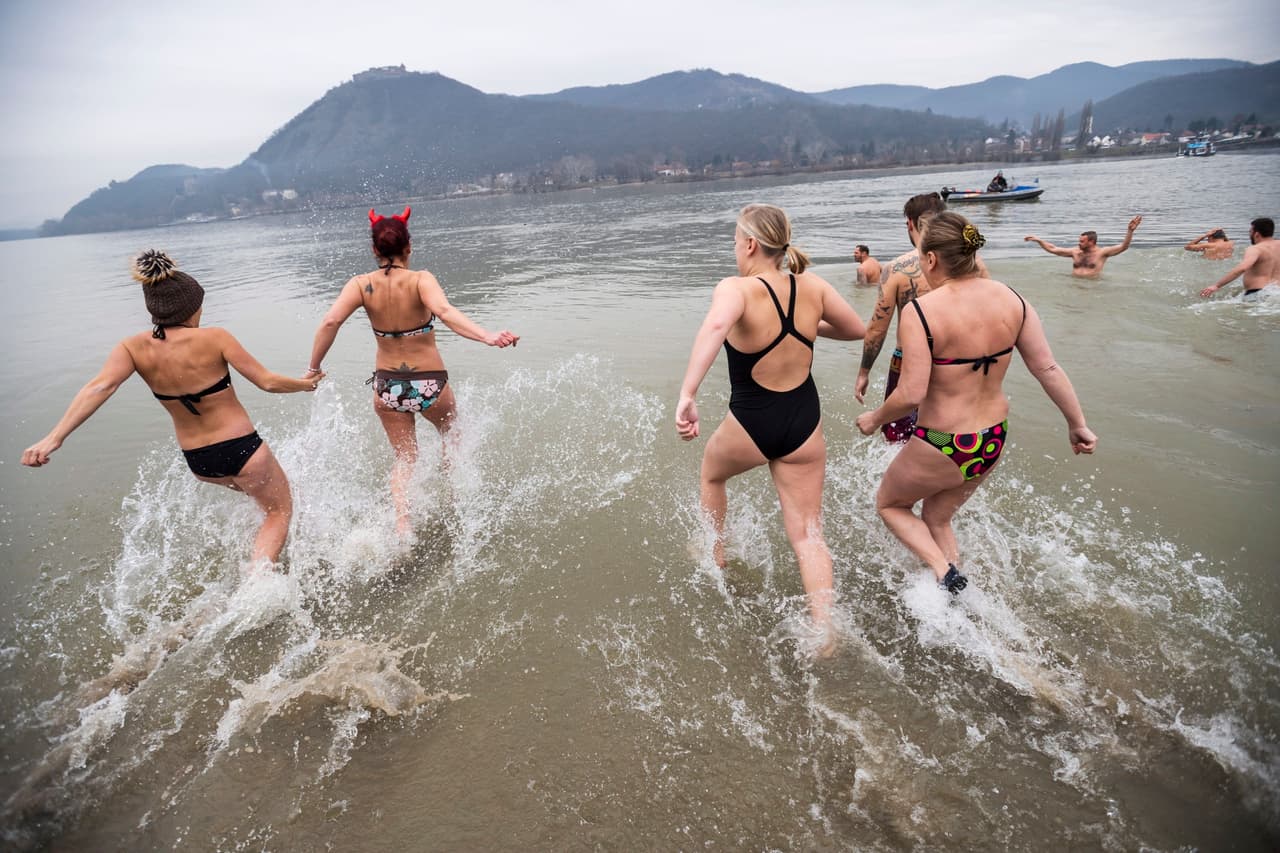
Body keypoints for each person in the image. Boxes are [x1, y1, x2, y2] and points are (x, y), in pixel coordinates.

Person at [21, 250, 321, 566]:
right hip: (242, 449)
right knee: (279, 510)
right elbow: (268, 382)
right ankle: (256, 589)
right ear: (192, 307)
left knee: (275, 495)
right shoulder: (215, 337)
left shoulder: (132, 347)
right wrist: (307, 384)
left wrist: (54, 438)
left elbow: (99, 387)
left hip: (200, 462)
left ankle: (270, 559)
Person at [855, 213, 1097, 594]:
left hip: (943, 440)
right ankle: (957, 591)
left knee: (890, 505)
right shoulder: (1012, 298)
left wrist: (874, 418)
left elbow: (911, 393)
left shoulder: (922, 312)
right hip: (991, 439)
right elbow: (1047, 367)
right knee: (937, 516)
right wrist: (1077, 423)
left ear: (931, 259)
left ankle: (942, 571)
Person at [676, 203, 866, 650]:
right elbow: (857, 328)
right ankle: (824, 629)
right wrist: (809, 329)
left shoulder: (736, 288)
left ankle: (716, 555)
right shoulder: (812, 285)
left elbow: (716, 326)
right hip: (804, 422)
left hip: (752, 422)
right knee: (807, 534)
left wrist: (688, 394)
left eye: (734, 242)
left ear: (749, 244)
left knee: (712, 473)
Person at [307, 206, 519, 536]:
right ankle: (455, 503)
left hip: (388, 387)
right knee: (453, 436)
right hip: (430, 383)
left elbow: (331, 321)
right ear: (409, 246)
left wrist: (313, 368)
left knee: (406, 458)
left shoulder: (360, 285)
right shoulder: (421, 280)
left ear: (374, 250)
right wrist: (489, 337)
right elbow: (446, 313)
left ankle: (402, 525)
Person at [856, 192, 987, 443]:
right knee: (953, 432)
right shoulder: (973, 262)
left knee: (900, 439)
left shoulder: (895, 269)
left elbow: (876, 329)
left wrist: (864, 372)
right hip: (959, 358)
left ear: (910, 223)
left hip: (908, 361)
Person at [1024, 215, 1142, 278]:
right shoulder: (1075, 252)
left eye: (1082, 241)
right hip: (1075, 284)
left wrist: (1130, 231)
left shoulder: (1102, 253)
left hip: (1093, 287)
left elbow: (1123, 246)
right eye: (1079, 241)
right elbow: (1053, 249)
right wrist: (1039, 240)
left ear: (1091, 242)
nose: (1079, 243)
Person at [1200, 217, 1279, 300]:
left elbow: (1242, 268)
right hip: (1276, 292)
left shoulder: (1255, 249)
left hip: (1257, 293)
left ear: (1256, 234)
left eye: (1250, 232)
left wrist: (1216, 285)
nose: (1249, 234)